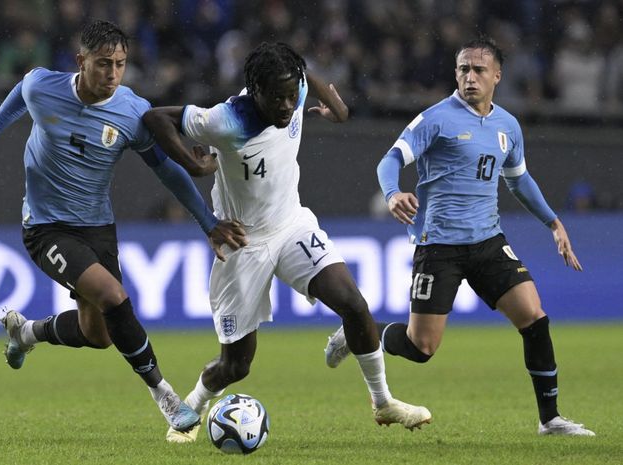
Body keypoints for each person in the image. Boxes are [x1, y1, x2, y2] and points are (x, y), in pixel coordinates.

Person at [0, 20, 247, 434]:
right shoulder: (45, 87)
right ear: (81, 61)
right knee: (114, 296)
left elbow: (166, 171)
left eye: (120, 64)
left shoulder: (132, 111)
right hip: (46, 227)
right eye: (103, 64)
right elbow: (21, 91)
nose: (113, 74)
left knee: (97, 334)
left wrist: (208, 223)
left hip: (98, 227)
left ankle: (26, 332)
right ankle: (164, 394)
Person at [142, 41, 432, 443]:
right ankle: (194, 402)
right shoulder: (225, 121)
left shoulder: (290, 85)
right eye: (275, 97)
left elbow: (303, 73)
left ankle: (383, 402)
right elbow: (156, 118)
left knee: (354, 304)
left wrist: (337, 104)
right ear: (254, 91)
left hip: (291, 224)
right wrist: (194, 165)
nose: (286, 105)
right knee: (236, 365)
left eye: (291, 95)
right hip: (243, 241)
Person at [324, 36, 595, 437]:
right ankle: (357, 332)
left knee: (534, 317)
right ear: (456, 74)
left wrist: (554, 223)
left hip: (488, 241)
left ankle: (550, 420)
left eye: (479, 70)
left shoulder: (507, 126)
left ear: (497, 76)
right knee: (421, 349)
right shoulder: (436, 118)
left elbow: (519, 182)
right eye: (463, 69)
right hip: (438, 246)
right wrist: (393, 192)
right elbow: (390, 160)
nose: (470, 77)